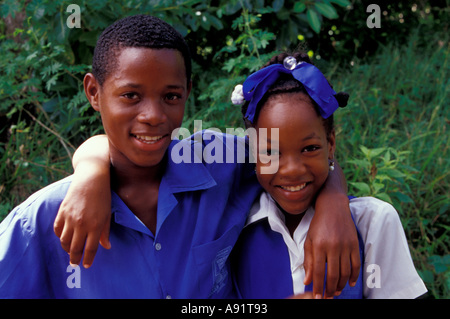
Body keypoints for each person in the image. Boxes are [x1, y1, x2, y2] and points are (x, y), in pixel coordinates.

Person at [0, 15, 357, 298]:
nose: (153, 115)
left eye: (170, 96)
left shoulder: (221, 162)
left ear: (187, 91)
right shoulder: (41, 221)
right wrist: (91, 170)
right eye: (130, 96)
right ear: (94, 92)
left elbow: (300, 154)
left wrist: (334, 203)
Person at [230, 52, 428, 299]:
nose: (292, 169)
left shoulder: (372, 222)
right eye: (270, 152)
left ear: (331, 143)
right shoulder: (232, 227)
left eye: (310, 148)